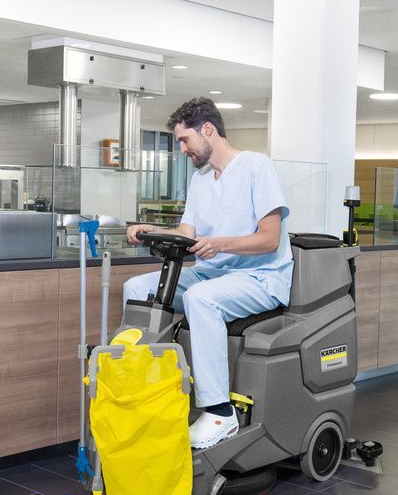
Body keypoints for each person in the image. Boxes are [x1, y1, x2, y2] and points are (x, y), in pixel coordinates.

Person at [124, 97, 293, 449]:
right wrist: (150, 229)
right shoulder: (201, 180)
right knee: (137, 287)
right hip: (213, 274)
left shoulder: (256, 167)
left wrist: (219, 244)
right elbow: (188, 235)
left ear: (208, 130)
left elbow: (270, 239)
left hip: (260, 278)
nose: (183, 149)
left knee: (201, 300)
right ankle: (146, 389)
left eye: (185, 140)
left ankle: (220, 413)